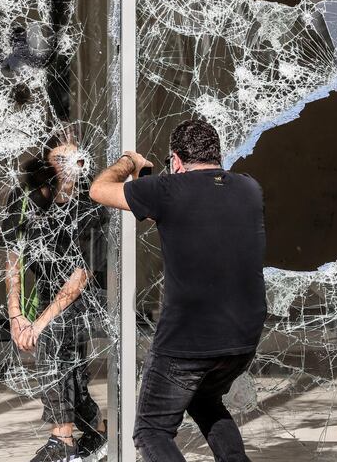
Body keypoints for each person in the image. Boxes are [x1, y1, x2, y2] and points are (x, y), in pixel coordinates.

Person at [89, 118, 267, 462]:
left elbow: (99, 189)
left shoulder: (167, 189)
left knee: (151, 431)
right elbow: (184, 217)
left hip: (189, 340)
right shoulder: (249, 189)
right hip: (243, 337)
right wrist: (151, 185)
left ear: (175, 161)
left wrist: (130, 163)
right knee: (205, 400)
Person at [0, 131, 109, 462]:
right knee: (71, 369)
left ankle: (62, 441)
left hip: (86, 296)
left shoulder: (92, 206)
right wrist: (16, 315)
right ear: (47, 166)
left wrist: (38, 324)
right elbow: (12, 261)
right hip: (46, 292)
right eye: (60, 160)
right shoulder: (26, 201)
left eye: (75, 158)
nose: (70, 166)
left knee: (53, 341)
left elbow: (79, 279)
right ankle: (97, 433)